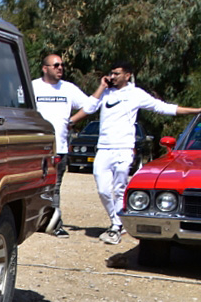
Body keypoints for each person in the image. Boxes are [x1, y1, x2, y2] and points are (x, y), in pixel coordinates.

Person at [70, 61, 201, 244]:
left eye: (117, 73)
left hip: (123, 148)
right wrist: (101, 87)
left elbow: (163, 107)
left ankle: (116, 226)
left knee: (119, 188)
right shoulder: (105, 92)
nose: (113, 76)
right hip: (104, 148)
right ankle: (117, 223)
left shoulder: (136, 94)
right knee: (103, 189)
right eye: (111, 73)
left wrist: (196, 111)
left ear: (127, 75)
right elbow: (90, 108)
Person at [32, 53, 91, 238]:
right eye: (56, 65)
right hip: (35, 148)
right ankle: (33, 222)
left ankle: (55, 223)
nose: (60, 68)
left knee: (54, 187)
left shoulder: (68, 88)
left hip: (60, 148)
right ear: (45, 68)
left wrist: (72, 120)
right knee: (32, 185)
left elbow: (90, 105)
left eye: (61, 65)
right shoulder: (33, 86)